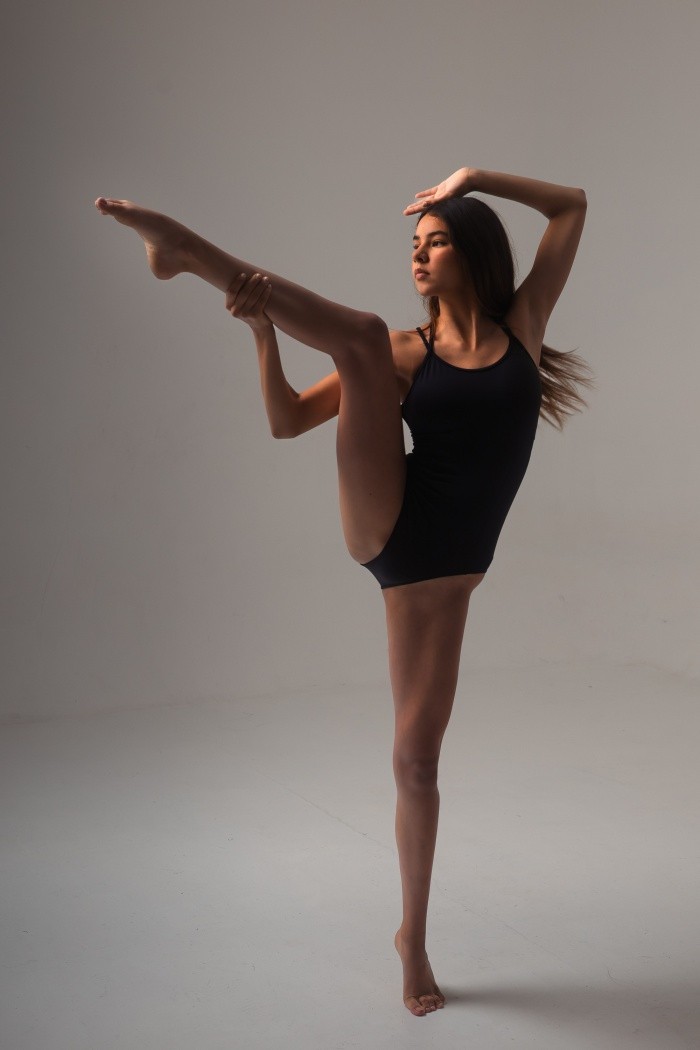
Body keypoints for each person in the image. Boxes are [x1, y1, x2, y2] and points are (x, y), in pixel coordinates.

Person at [95, 167, 592, 1017]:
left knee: (417, 764)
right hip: (394, 533)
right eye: (415, 244)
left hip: (455, 574)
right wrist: (262, 334)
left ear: (474, 252)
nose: (419, 256)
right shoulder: (405, 353)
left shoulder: (526, 329)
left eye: (437, 240)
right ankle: (187, 251)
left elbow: (571, 205)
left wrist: (472, 177)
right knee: (360, 335)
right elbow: (287, 419)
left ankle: (411, 935)